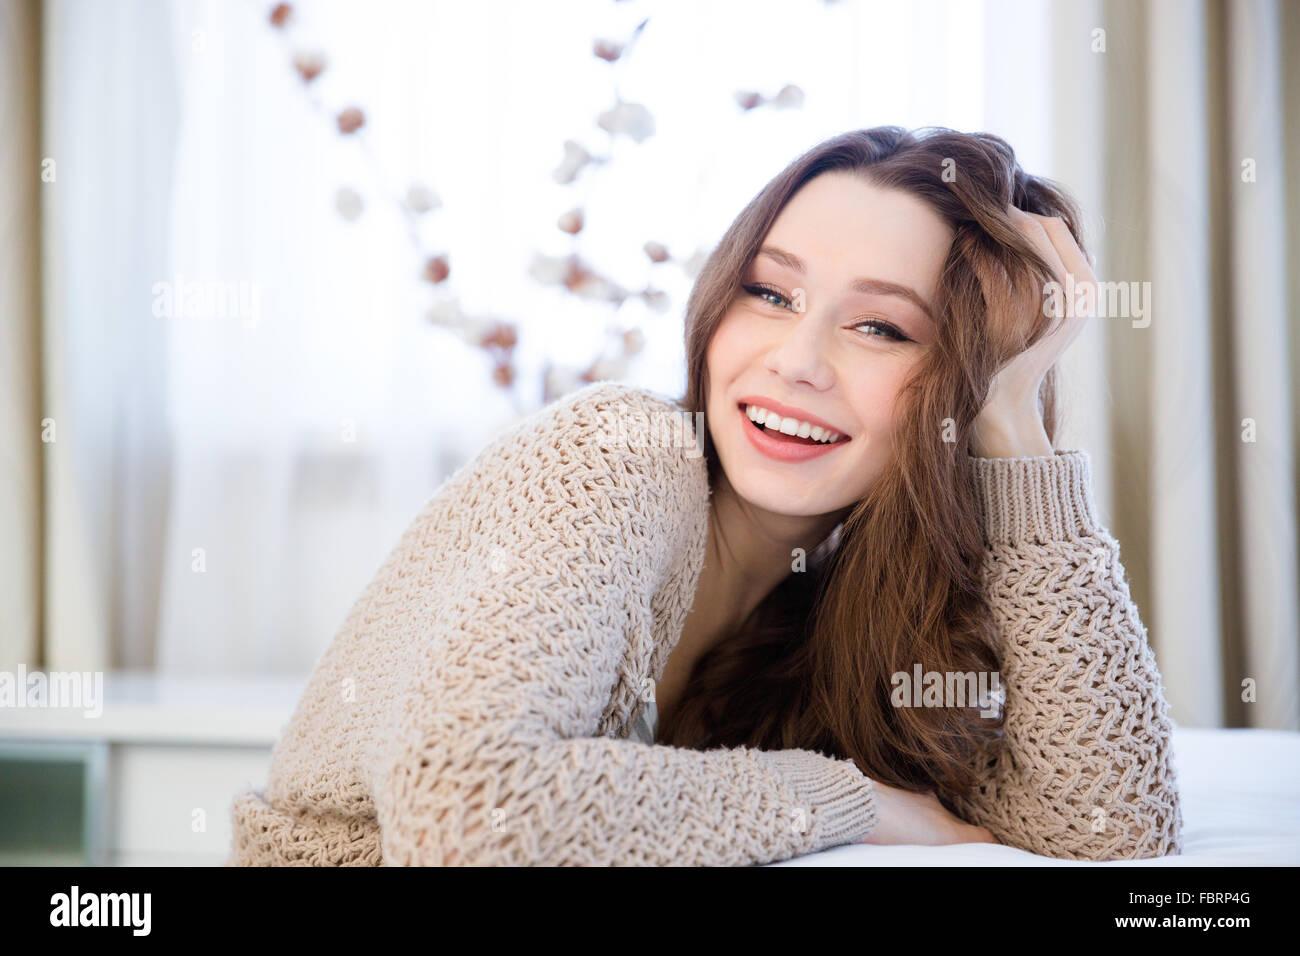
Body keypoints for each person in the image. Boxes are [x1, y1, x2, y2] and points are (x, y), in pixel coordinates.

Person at [227, 126, 1182, 866]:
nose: (795, 363)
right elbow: (465, 814)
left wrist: (1013, 426)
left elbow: (1107, 827)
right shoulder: (618, 453)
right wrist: (849, 801)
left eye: (882, 328)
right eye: (771, 294)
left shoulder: (860, 598)